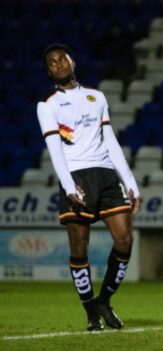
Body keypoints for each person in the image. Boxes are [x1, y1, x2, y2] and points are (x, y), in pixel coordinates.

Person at [36, 44, 141, 332]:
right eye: (52, 62)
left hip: (107, 175)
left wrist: (130, 182)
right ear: (49, 71)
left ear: (73, 61)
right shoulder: (48, 104)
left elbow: (111, 142)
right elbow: (54, 149)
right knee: (79, 249)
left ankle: (104, 300)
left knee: (125, 240)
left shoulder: (97, 97)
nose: (58, 64)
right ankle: (90, 313)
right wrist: (69, 186)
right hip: (77, 177)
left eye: (62, 59)